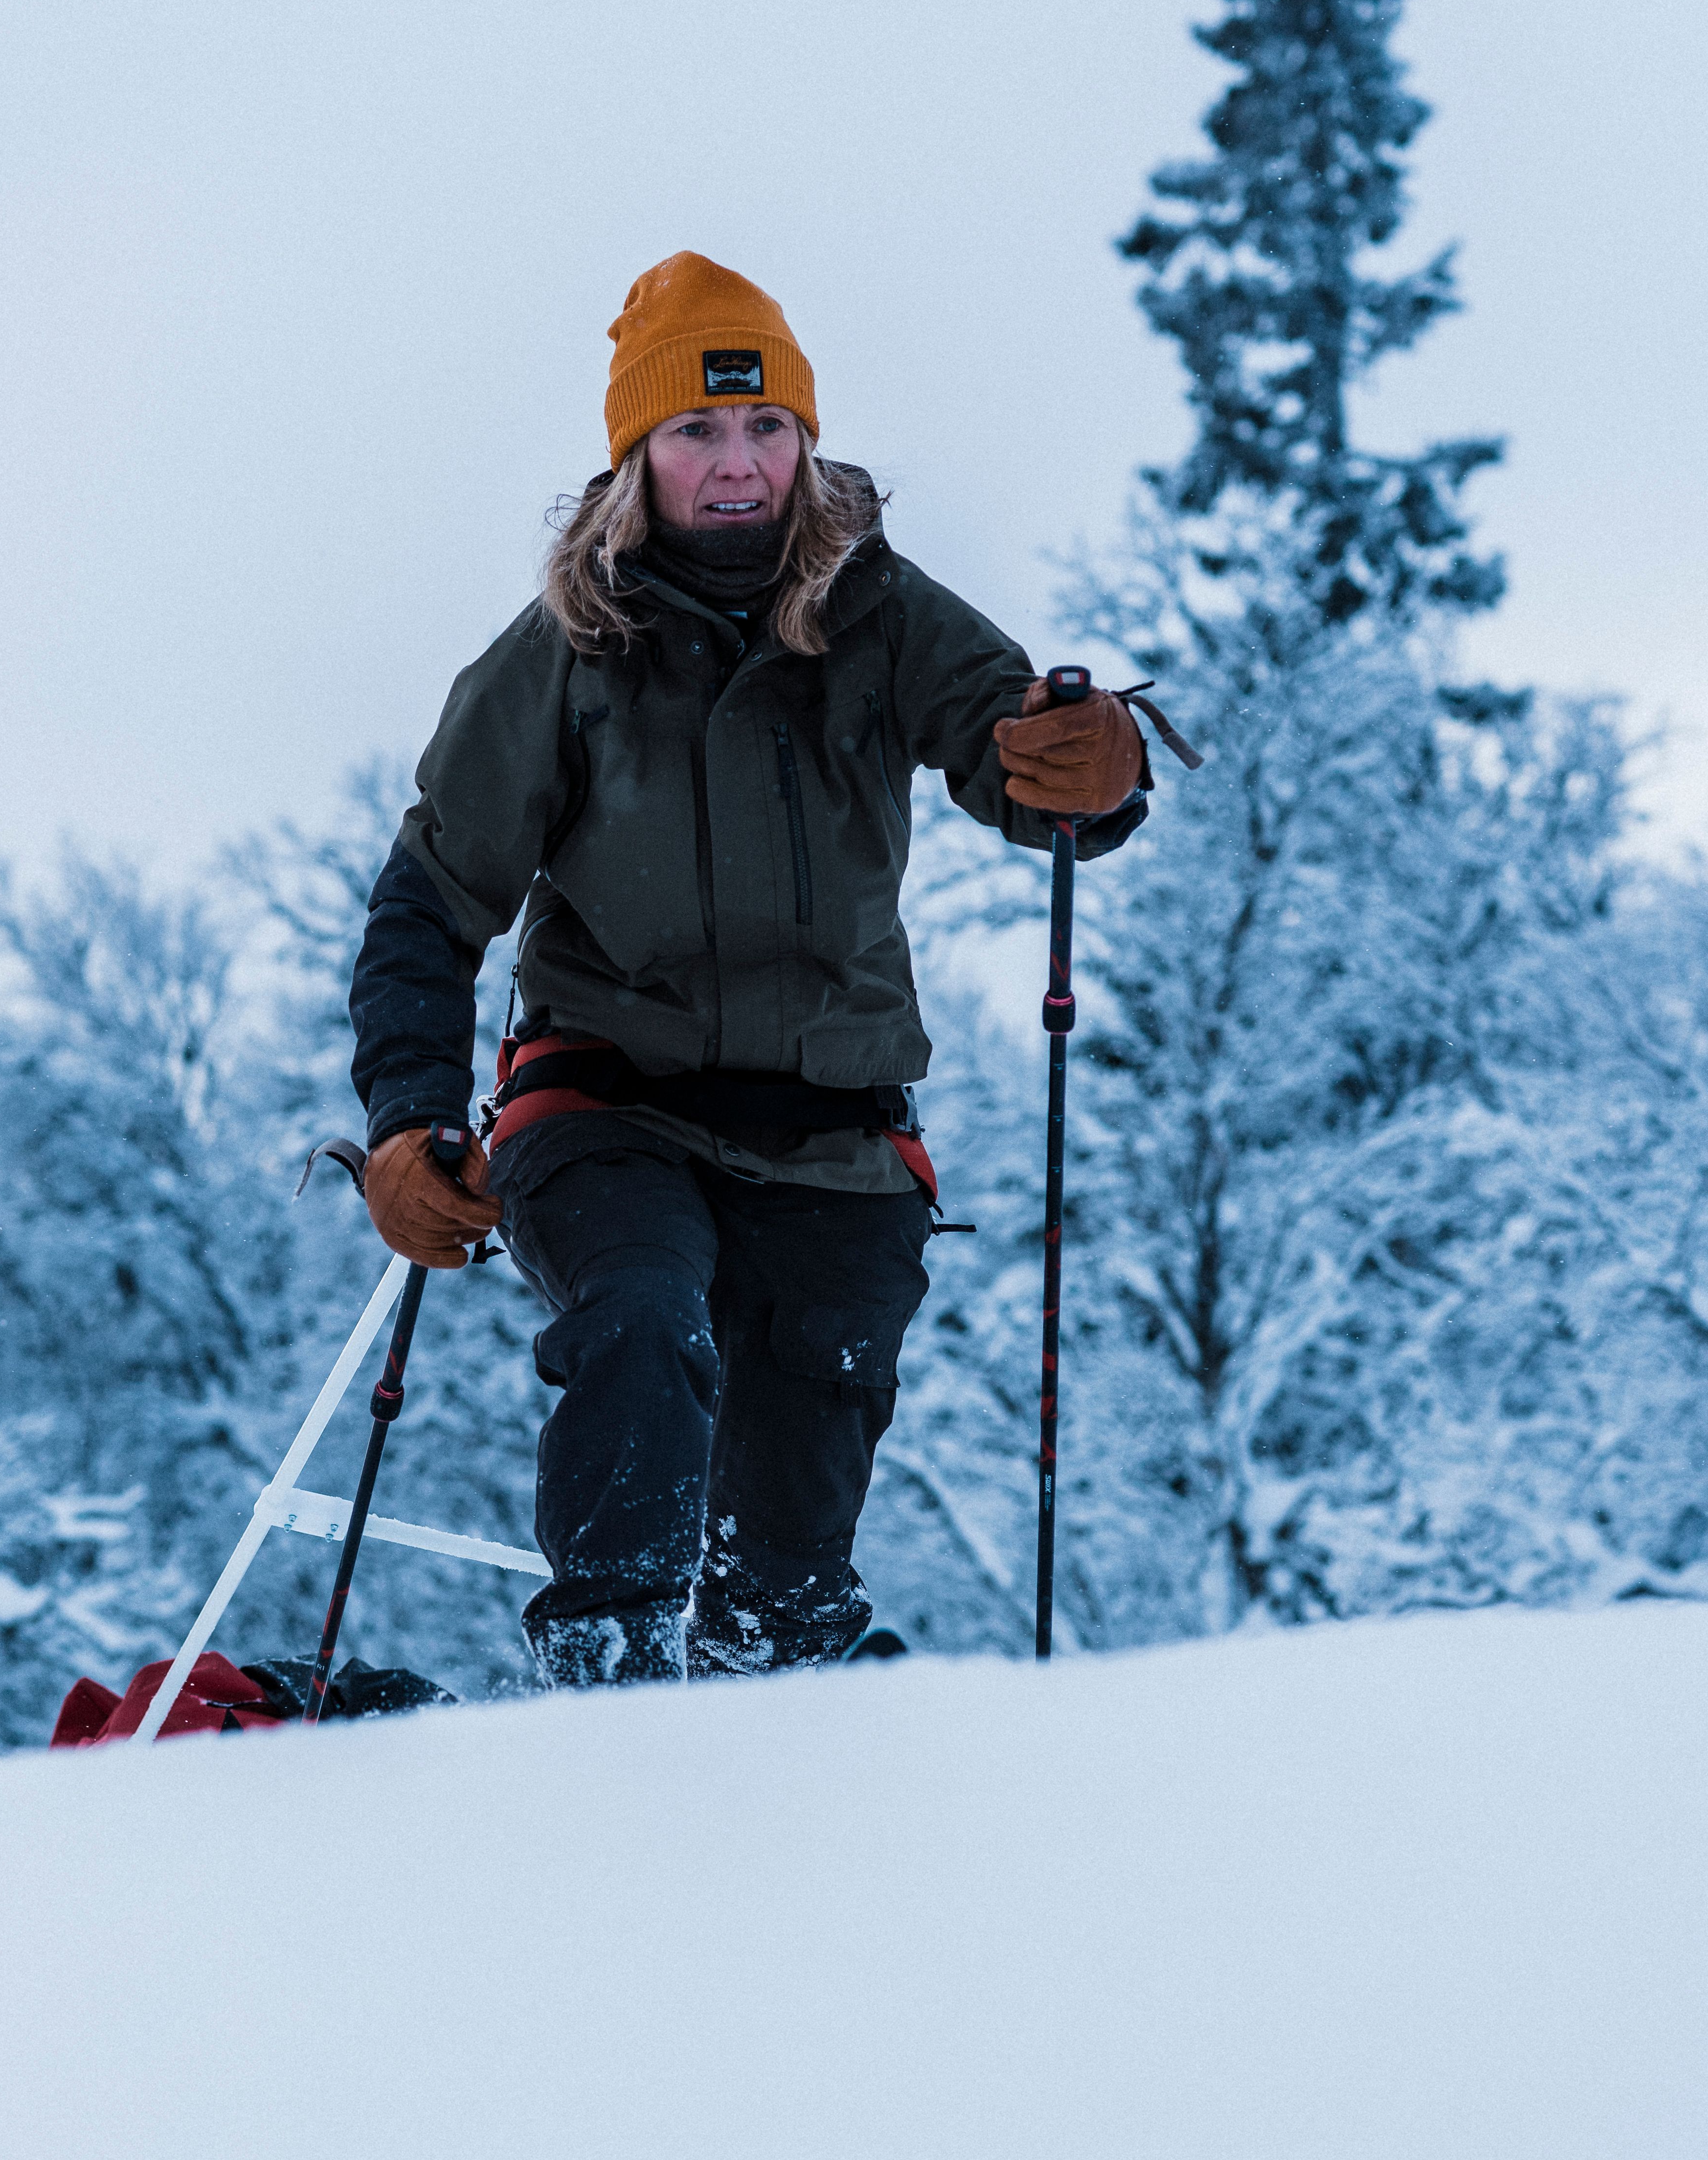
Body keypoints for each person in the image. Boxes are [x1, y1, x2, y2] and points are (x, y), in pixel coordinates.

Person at [347, 253, 1150, 1686]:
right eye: (698, 431)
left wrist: (1095, 765)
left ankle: (769, 1704)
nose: (739, 464)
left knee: (789, 1535)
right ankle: (610, 1660)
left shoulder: (883, 615)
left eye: (768, 426)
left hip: (835, 1135)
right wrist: (409, 1118)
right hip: (607, 1106)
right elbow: (430, 900)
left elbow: (1015, 748)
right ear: (634, 461)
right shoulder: (562, 655)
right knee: (642, 1321)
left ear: (806, 441)